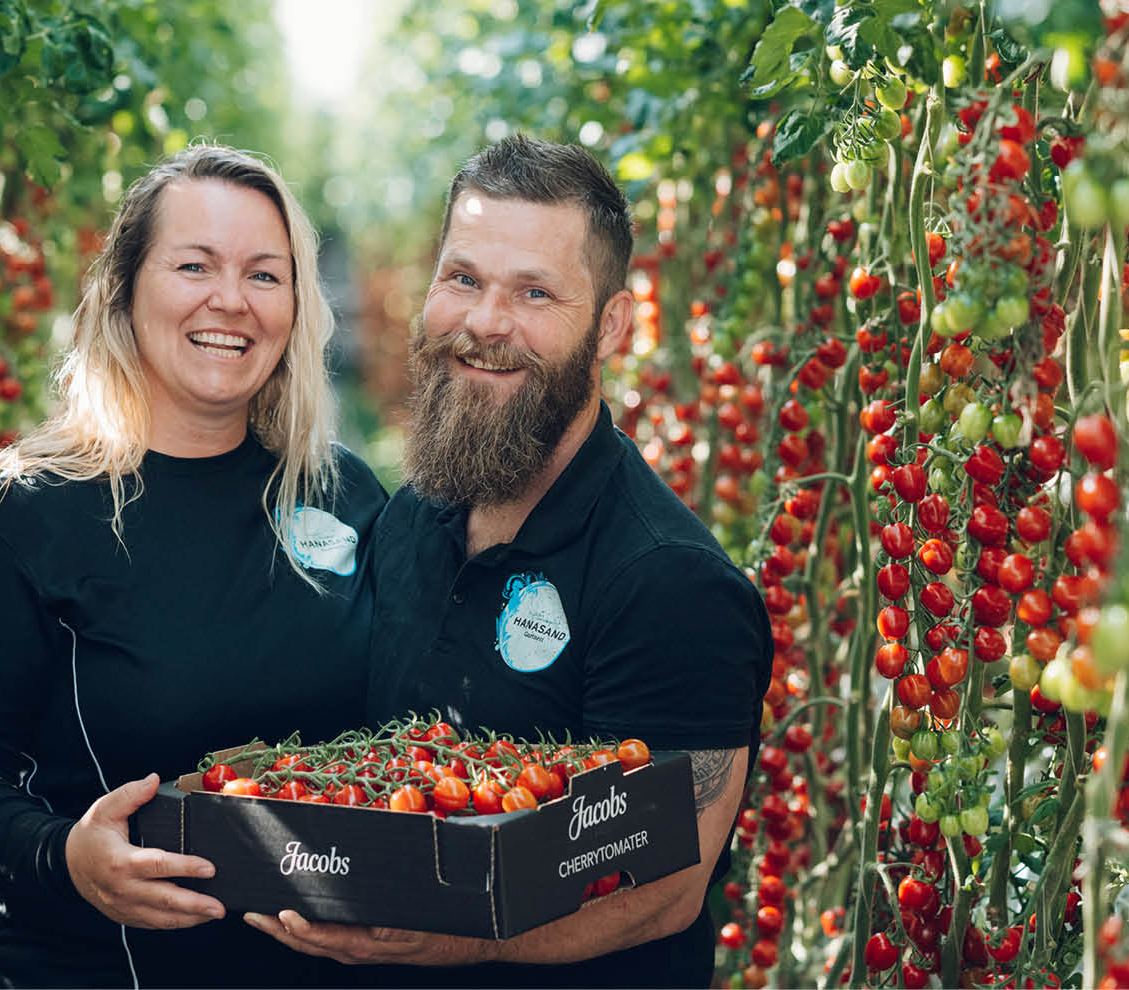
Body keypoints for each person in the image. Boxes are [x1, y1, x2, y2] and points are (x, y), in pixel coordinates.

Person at [246, 136, 772, 986]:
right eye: (463, 279)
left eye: (534, 292)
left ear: (611, 325)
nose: (485, 323)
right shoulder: (416, 515)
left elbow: (663, 888)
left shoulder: (669, 583)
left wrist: (440, 941)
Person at [0, 145, 385, 988]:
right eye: (194, 265)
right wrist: (64, 857)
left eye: (265, 275)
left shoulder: (340, 491)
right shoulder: (18, 516)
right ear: (122, 290)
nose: (230, 300)